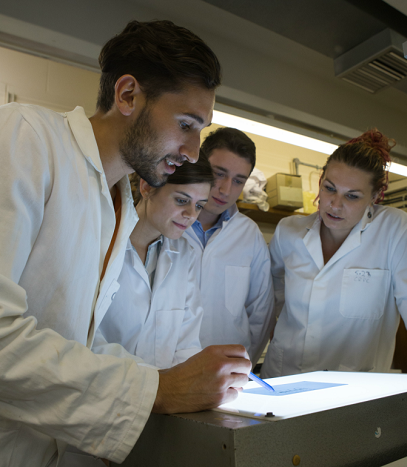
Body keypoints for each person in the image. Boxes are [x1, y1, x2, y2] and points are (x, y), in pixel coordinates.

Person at [0, 20, 251, 467]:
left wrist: (177, 379)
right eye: (186, 124)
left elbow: (76, 345)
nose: (194, 152)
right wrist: (159, 388)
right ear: (128, 95)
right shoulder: (27, 136)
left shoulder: (115, 201)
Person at [261, 129, 407, 378]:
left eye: (352, 196)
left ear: (374, 197)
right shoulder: (289, 231)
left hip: (355, 389)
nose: (335, 204)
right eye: (329, 188)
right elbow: (268, 299)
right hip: (282, 378)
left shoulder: (396, 230)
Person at [93, 150, 213, 368]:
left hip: (166, 395)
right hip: (105, 389)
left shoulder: (185, 254)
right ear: (147, 187)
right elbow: (89, 339)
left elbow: (186, 343)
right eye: (181, 200)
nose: (191, 214)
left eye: (198, 205)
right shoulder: (100, 242)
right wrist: (155, 383)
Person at [183, 127, 275, 369]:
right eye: (218, 174)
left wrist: (240, 368)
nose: (225, 189)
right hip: (169, 368)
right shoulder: (169, 222)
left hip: (227, 373)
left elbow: (261, 313)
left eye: (238, 181)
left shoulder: (249, 235)